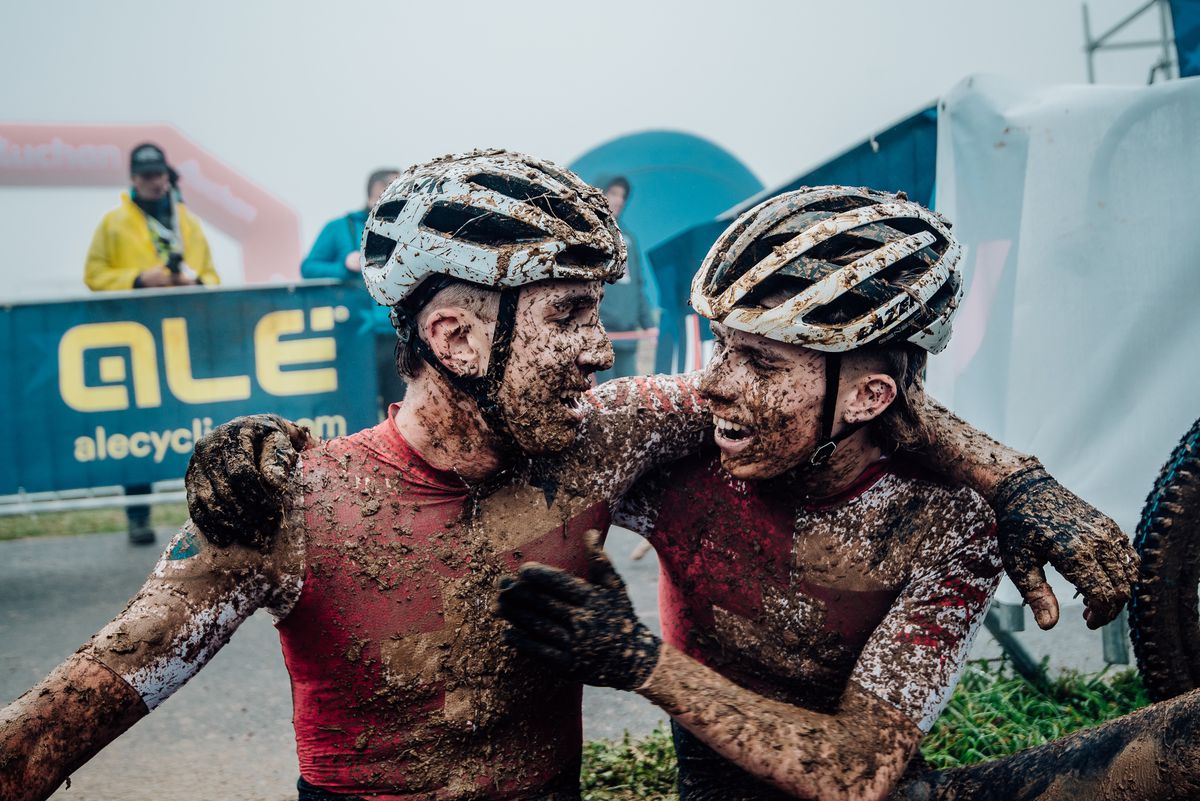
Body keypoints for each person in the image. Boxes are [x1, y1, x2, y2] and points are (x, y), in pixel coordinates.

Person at [0, 159, 1134, 801]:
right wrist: (240, 440)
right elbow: (42, 741)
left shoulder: (604, 439)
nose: (606, 350)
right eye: (573, 317)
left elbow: (842, 387)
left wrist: (1014, 481)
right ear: (453, 332)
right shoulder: (282, 504)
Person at [497, 187, 1174, 801]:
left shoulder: (946, 521)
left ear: (870, 396)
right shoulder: (682, 430)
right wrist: (1016, 477)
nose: (714, 386)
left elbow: (859, 768)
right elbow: (504, 433)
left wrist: (640, 660)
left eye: (761, 362)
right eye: (721, 346)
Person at [83, 142, 220, 544]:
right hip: (135, 339)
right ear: (133, 179)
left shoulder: (186, 221)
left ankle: (208, 517)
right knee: (137, 427)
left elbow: (211, 274)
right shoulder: (113, 223)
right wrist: (141, 280)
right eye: (144, 175)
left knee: (195, 425)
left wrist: (191, 281)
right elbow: (93, 275)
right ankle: (137, 516)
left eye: (157, 174)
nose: (152, 181)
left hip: (183, 338)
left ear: (166, 175)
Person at [301, 167, 403, 414]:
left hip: (400, 336)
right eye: (387, 192)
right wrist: (344, 265)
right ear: (371, 196)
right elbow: (308, 268)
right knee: (358, 409)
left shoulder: (408, 228)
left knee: (401, 407)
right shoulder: (340, 228)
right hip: (356, 337)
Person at [595, 176, 658, 382]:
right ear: (600, 193)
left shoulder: (629, 238)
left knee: (629, 398)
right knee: (602, 400)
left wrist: (648, 324)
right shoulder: (590, 236)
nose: (619, 200)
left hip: (629, 337)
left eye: (622, 196)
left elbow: (638, 286)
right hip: (600, 335)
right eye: (613, 193)